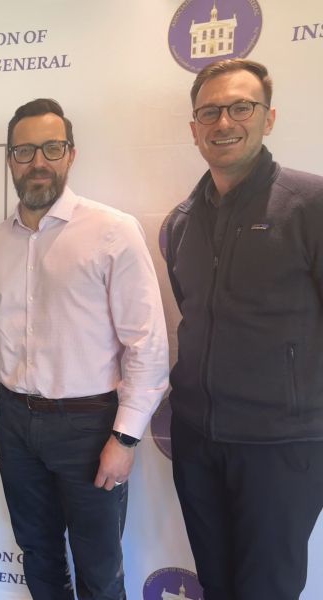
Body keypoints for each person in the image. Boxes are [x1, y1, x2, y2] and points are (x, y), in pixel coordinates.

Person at [0, 98, 169, 600]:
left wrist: (124, 438)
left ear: (71, 154)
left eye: (52, 148)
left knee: (99, 569)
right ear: (10, 159)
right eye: (24, 150)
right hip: (15, 423)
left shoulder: (112, 231)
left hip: (90, 425)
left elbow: (146, 343)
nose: (38, 161)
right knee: (38, 556)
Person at [162, 58, 323, 600]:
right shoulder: (182, 221)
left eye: (241, 107)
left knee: (268, 589)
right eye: (210, 112)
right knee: (217, 583)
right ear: (194, 129)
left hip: (282, 445)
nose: (224, 122)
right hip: (198, 439)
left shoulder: (311, 205)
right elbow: (193, 311)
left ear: (268, 118)